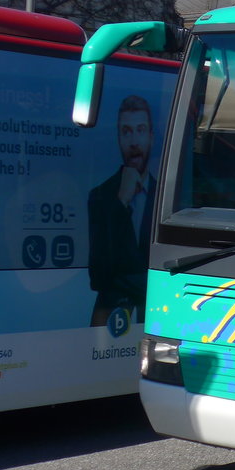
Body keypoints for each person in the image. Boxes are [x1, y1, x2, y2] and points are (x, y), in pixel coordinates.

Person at [88, 95, 156, 329]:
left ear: (151, 137)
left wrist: (124, 278)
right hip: (110, 319)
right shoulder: (101, 196)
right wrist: (121, 203)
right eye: (126, 132)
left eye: (140, 130)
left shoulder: (167, 197)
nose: (134, 141)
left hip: (154, 316)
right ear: (118, 139)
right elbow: (99, 275)